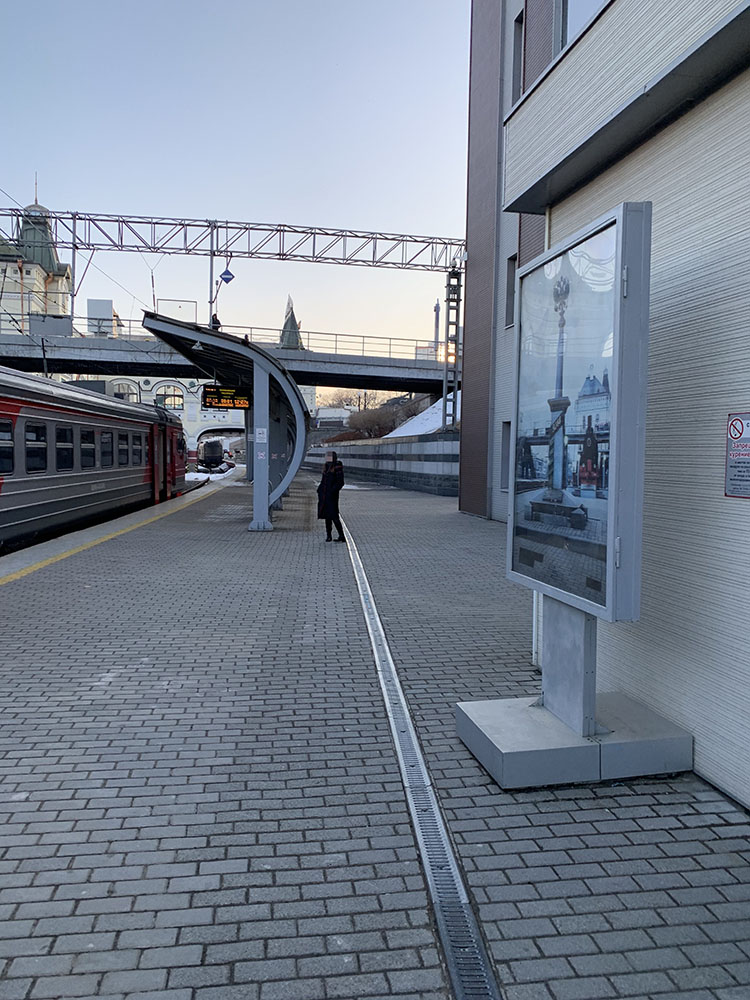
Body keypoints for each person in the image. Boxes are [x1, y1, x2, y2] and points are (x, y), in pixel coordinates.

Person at [317, 450, 345, 542]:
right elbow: (323, 480)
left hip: (332, 495)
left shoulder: (337, 466)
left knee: (334, 515)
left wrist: (333, 490)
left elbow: (340, 482)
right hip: (324, 495)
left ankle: (341, 535)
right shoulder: (326, 466)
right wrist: (320, 490)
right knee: (327, 516)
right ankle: (329, 535)